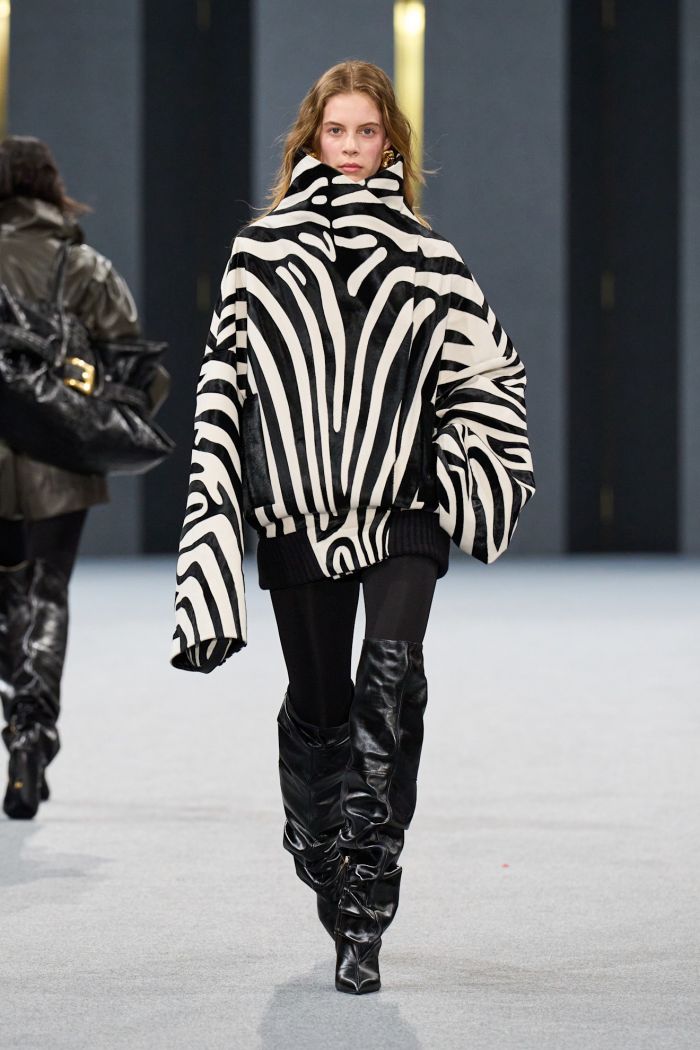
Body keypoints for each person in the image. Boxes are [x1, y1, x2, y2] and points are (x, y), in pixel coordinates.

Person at [171, 61, 535, 993]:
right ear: (311, 138)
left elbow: (490, 372)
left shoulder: (428, 255)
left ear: (389, 143)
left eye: (367, 131)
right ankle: (319, 841)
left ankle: (367, 899)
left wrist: (458, 466)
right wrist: (216, 527)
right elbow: (222, 388)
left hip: (403, 509)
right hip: (299, 512)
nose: (351, 146)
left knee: (391, 687)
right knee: (323, 710)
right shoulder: (258, 254)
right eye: (335, 130)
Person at [0, 136, 140, 819]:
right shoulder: (82, 264)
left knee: (7, 598)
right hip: (57, 453)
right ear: (51, 186)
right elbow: (134, 364)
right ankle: (30, 737)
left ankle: (19, 722)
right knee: (47, 592)